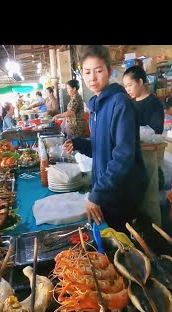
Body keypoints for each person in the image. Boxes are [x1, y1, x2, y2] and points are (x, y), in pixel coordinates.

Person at [62, 45, 146, 233]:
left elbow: (123, 157)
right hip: (106, 188)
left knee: (119, 244)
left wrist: (97, 193)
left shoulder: (120, 103)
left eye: (98, 71)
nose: (92, 77)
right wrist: (78, 144)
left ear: (109, 70)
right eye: (87, 72)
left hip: (121, 192)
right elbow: (101, 148)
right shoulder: (96, 106)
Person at [123, 65, 164, 134]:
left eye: (130, 85)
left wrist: (132, 130)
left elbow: (157, 131)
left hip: (149, 144)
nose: (128, 90)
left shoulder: (154, 103)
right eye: (125, 86)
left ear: (140, 82)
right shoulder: (129, 102)